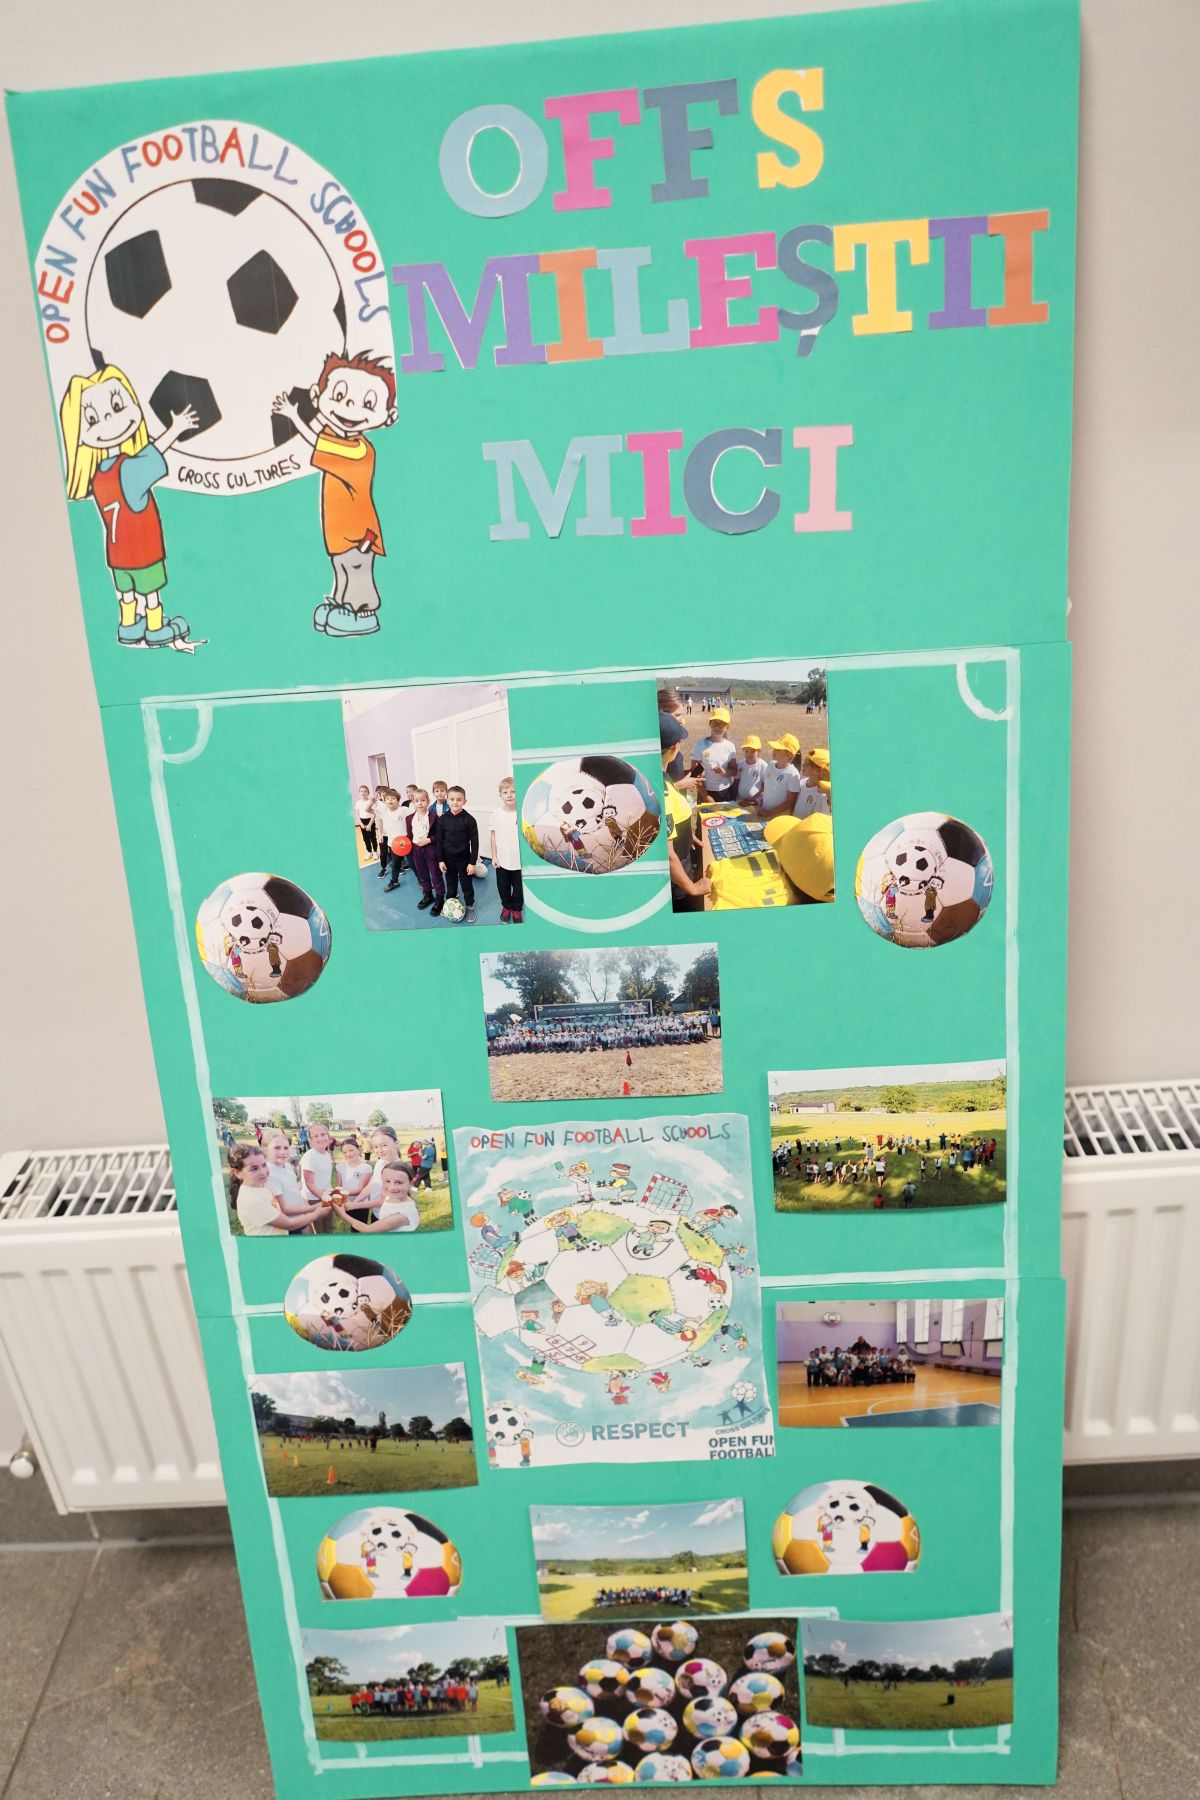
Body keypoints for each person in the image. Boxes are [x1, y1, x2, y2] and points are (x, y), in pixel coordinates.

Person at [59, 363, 199, 649]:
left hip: (117, 555)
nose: (111, 420)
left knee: (126, 595)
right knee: (150, 594)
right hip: (143, 552)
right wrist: (176, 428)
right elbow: (153, 454)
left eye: (117, 407)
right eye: (94, 419)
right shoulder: (127, 471)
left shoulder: (99, 476)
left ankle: (128, 627)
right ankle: (156, 628)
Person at [271, 351, 398, 637]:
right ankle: (340, 605)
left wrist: (294, 415)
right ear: (317, 396)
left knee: (357, 571)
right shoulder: (335, 435)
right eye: (340, 396)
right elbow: (323, 438)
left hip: (359, 533)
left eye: (368, 404)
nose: (351, 409)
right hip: (338, 531)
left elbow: (316, 442)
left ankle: (363, 613)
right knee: (341, 569)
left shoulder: (359, 451)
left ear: (388, 416)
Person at [660, 713, 711, 911]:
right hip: (677, 880)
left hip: (682, 861)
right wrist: (693, 888)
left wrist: (687, 835)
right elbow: (668, 855)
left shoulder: (661, 778)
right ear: (674, 748)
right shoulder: (662, 791)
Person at [334, 1160, 421, 1232]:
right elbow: (380, 1200)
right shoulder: (392, 1196)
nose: (392, 1187)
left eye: (399, 1182)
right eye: (387, 1181)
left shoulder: (401, 1216)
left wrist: (342, 1214)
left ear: (411, 1183)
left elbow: (368, 1229)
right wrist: (352, 1205)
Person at [435, 785, 480, 922]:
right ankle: (450, 902)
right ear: (447, 800)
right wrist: (440, 860)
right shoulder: (442, 820)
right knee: (451, 883)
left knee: (467, 885)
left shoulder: (469, 820)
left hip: (464, 859)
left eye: (459, 800)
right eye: (452, 799)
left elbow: (475, 843)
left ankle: (470, 906)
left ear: (464, 801)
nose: (455, 802)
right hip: (448, 859)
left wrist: (472, 863)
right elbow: (439, 841)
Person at [490, 775, 524, 923]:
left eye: (513, 791)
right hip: (502, 861)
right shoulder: (496, 814)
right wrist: (494, 856)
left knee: (518, 888)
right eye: (505, 792)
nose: (509, 795)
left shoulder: (522, 813)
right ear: (500, 795)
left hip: (519, 862)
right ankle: (506, 906)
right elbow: (493, 835)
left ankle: (517, 909)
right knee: (503, 887)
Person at [405, 787, 444, 915]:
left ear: (428, 801)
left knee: (435, 875)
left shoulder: (434, 817)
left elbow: (440, 836)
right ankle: (428, 895)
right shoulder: (409, 818)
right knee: (422, 874)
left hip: (430, 850)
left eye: (422, 800)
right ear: (413, 802)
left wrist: (429, 840)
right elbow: (410, 835)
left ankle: (439, 898)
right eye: (417, 801)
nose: (420, 803)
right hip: (416, 850)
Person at [694, 706, 739, 803]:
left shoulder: (730, 746)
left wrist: (724, 772)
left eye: (721, 723)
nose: (717, 726)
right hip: (705, 792)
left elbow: (734, 770)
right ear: (710, 724)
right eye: (714, 722)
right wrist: (706, 796)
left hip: (726, 792)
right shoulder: (700, 745)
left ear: (727, 727)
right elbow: (695, 774)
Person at [300, 1123, 336, 1233]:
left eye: (323, 1134)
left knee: (328, 1227)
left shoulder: (326, 1154)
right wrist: (324, 1198)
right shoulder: (310, 1157)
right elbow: (309, 1183)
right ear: (310, 1140)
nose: (320, 1138)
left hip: (326, 1196)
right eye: (315, 1136)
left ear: (328, 1137)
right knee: (318, 1230)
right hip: (313, 1199)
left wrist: (330, 1195)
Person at [759, 734, 805, 818]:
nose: (774, 750)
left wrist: (769, 813)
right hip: (764, 812)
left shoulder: (793, 774)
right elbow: (766, 787)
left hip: (778, 818)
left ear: (789, 754)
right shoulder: (770, 764)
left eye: (778, 749)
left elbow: (790, 802)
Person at [378, 789, 410, 892]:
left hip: (407, 843)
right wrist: (379, 833)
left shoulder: (404, 810)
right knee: (395, 865)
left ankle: (424, 883)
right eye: (388, 798)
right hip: (394, 844)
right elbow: (378, 819)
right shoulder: (383, 812)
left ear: (398, 801)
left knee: (415, 865)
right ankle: (394, 881)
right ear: (384, 801)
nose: (390, 800)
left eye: (393, 798)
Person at [736, 733, 769, 805]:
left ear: (759, 751)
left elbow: (765, 787)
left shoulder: (764, 766)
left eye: (753, 751)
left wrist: (752, 800)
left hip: (754, 803)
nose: (749, 754)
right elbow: (736, 781)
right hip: (740, 801)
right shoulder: (740, 764)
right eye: (746, 751)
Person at [354, 785, 377, 857]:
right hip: (362, 821)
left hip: (370, 821)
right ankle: (369, 852)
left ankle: (375, 852)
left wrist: (370, 824)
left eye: (365, 791)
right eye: (361, 791)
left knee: (372, 837)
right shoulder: (358, 802)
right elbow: (357, 814)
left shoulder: (371, 801)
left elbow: (374, 814)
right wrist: (361, 824)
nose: (363, 793)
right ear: (359, 793)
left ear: (368, 793)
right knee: (365, 838)